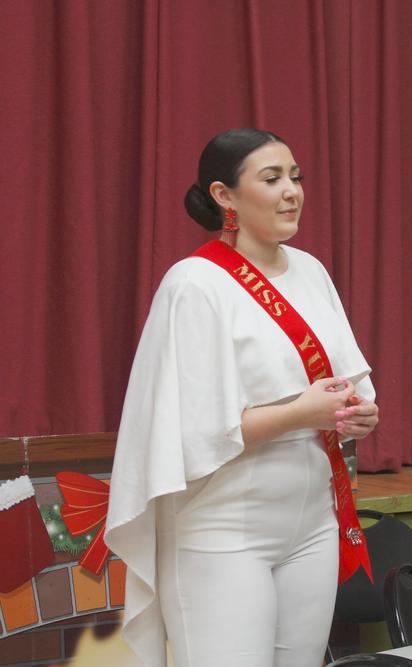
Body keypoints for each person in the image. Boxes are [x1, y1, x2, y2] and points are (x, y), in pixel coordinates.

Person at [105, 128, 379, 667]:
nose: (292, 191)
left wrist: (358, 413)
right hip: (224, 528)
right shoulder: (194, 284)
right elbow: (192, 434)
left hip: (313, 523)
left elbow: (347, 382)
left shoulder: (311, 271)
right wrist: (304, 412)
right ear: (223, 196)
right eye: (272, 178)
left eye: (296, 177)